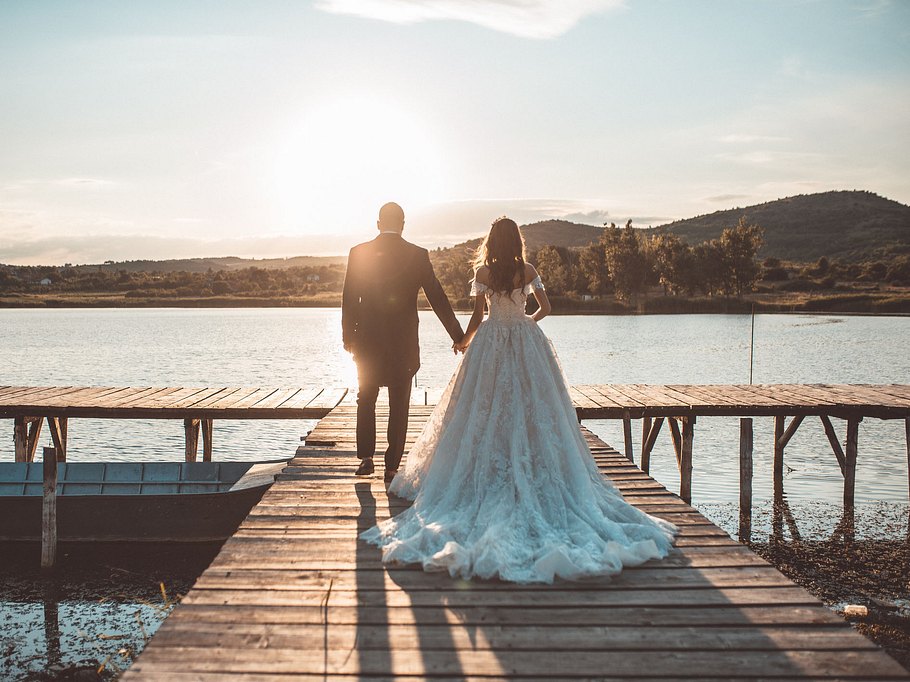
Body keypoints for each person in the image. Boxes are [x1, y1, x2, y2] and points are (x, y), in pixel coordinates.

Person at [361, 217, 677, 583]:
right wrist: (527, 321)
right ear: (517, 242)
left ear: (491, 243)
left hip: (491, 343)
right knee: (533, 408)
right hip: (525, 342)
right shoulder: (526, 270)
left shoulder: (484, 272)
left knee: (483, 407)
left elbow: (479, 316)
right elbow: (547, 307)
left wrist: (463, 341)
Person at [342, 202, 465, 483]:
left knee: (366, 398)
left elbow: (349, 298)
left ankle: (365, 459)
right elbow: (437, 297)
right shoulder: (417, 255)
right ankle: (391, 467)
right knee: (400, 403)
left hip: (367, 342)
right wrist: (457, 335)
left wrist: (349, 337)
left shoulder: (358, 253)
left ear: (377, 223)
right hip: (404, 343)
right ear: (403, 224)